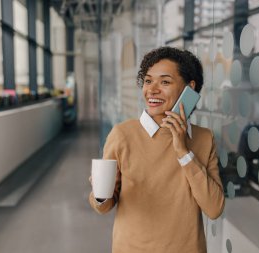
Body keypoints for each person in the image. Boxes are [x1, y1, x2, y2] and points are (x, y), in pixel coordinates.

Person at [89, 46, 225, 253]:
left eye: (165, 82)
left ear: (189, 88)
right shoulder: (123, 135)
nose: (152, 90)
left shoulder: (203, 139)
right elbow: (103, 206)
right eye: (148, 81)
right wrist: (100, 194)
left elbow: (214, 208)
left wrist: (183, 151)